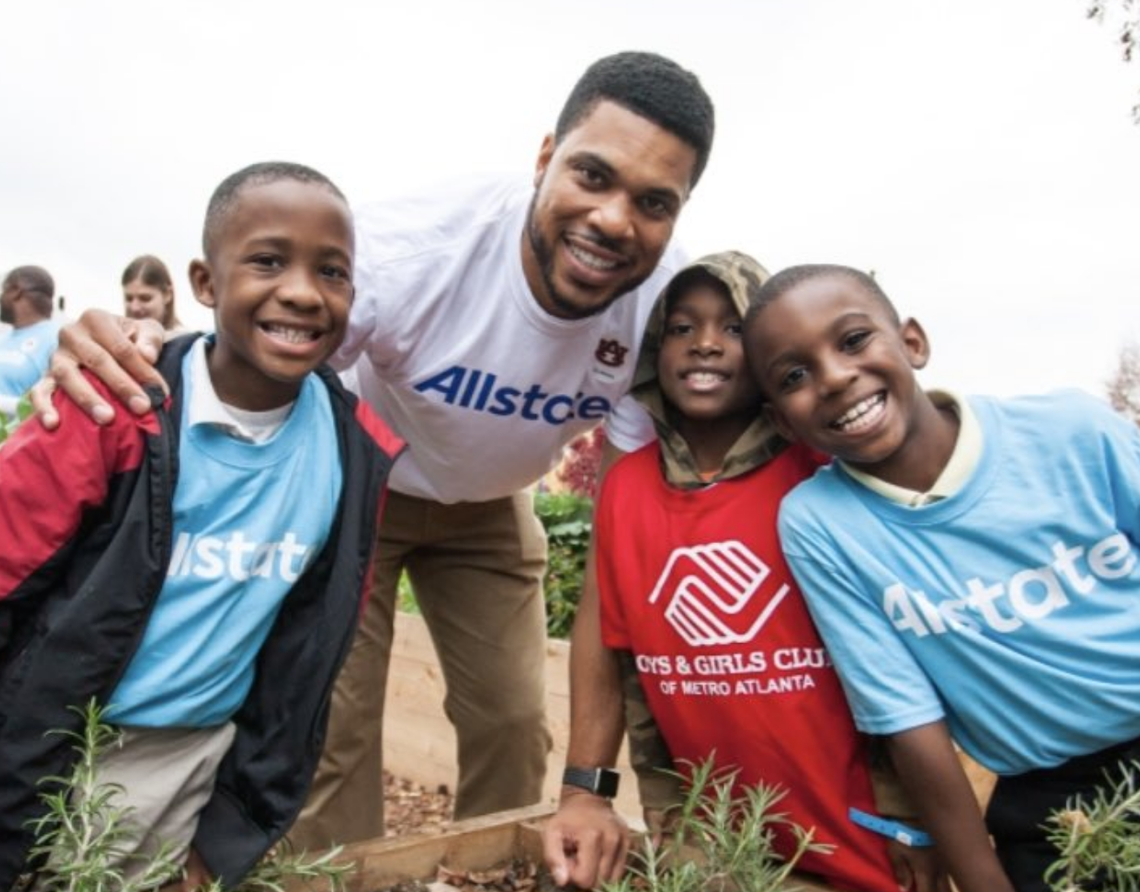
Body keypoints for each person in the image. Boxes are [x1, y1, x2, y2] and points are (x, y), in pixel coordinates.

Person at [35, 51, 715, 850]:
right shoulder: (411, 255)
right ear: (543, 158)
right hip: (362, 491)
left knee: (514, 717)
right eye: (592, 176)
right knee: (332, 720)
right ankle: (334, 875)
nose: (612, 219)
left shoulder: (658, 311)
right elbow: (256, 354)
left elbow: (616, 543)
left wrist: (589, 786)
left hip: (493, 506)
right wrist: (149, 348)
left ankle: (494, 864)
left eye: (653, 201)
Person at [0, 161, 402, 892]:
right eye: (267, 259)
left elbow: (302, 662)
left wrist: (228, 827)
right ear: (205, 281)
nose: (300, 289)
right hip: (37, 749)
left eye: (331, 271)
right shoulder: (111, 406)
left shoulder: (353, 453)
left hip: (182, 768)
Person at [742, 263, 1140, 892]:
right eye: (794, 376)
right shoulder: (820, 525)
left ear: (913, 342)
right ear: (781, 422)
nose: (833, 377)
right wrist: (984, 886)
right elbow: (908, 717)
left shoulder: (1073, 430)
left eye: (853, 340)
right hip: (1051, 802)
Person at [546, 252, 946, 892]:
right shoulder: (626, 490)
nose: (704, 342)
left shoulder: (820, 473)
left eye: (733, 328)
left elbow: (894, 664)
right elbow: (633, 673)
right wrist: (643, 807)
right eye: (681, 326)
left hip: (863, 842)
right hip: (711, 849)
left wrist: (914, 818)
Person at [0, 265, 61, 415]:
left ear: (15, 291)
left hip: (18, 437)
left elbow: (56, 408)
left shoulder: (57, 340)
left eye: (3, 291)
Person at [122, 254, 188, 336]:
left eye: (145, 298)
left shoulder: (185, 343)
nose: (135, 308)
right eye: (129, 299)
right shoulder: (116, 342)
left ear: (167, 295)